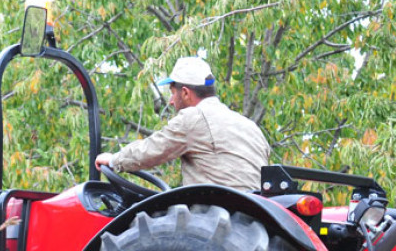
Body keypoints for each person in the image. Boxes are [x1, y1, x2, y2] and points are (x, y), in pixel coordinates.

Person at [94, 57, 269, 192]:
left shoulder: (194, 118)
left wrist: (114, 160)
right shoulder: (250, 127)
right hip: (254, 214)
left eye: (172, 93)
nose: (170, 101)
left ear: (185, 93)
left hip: (214, 213)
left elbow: (152, 150)